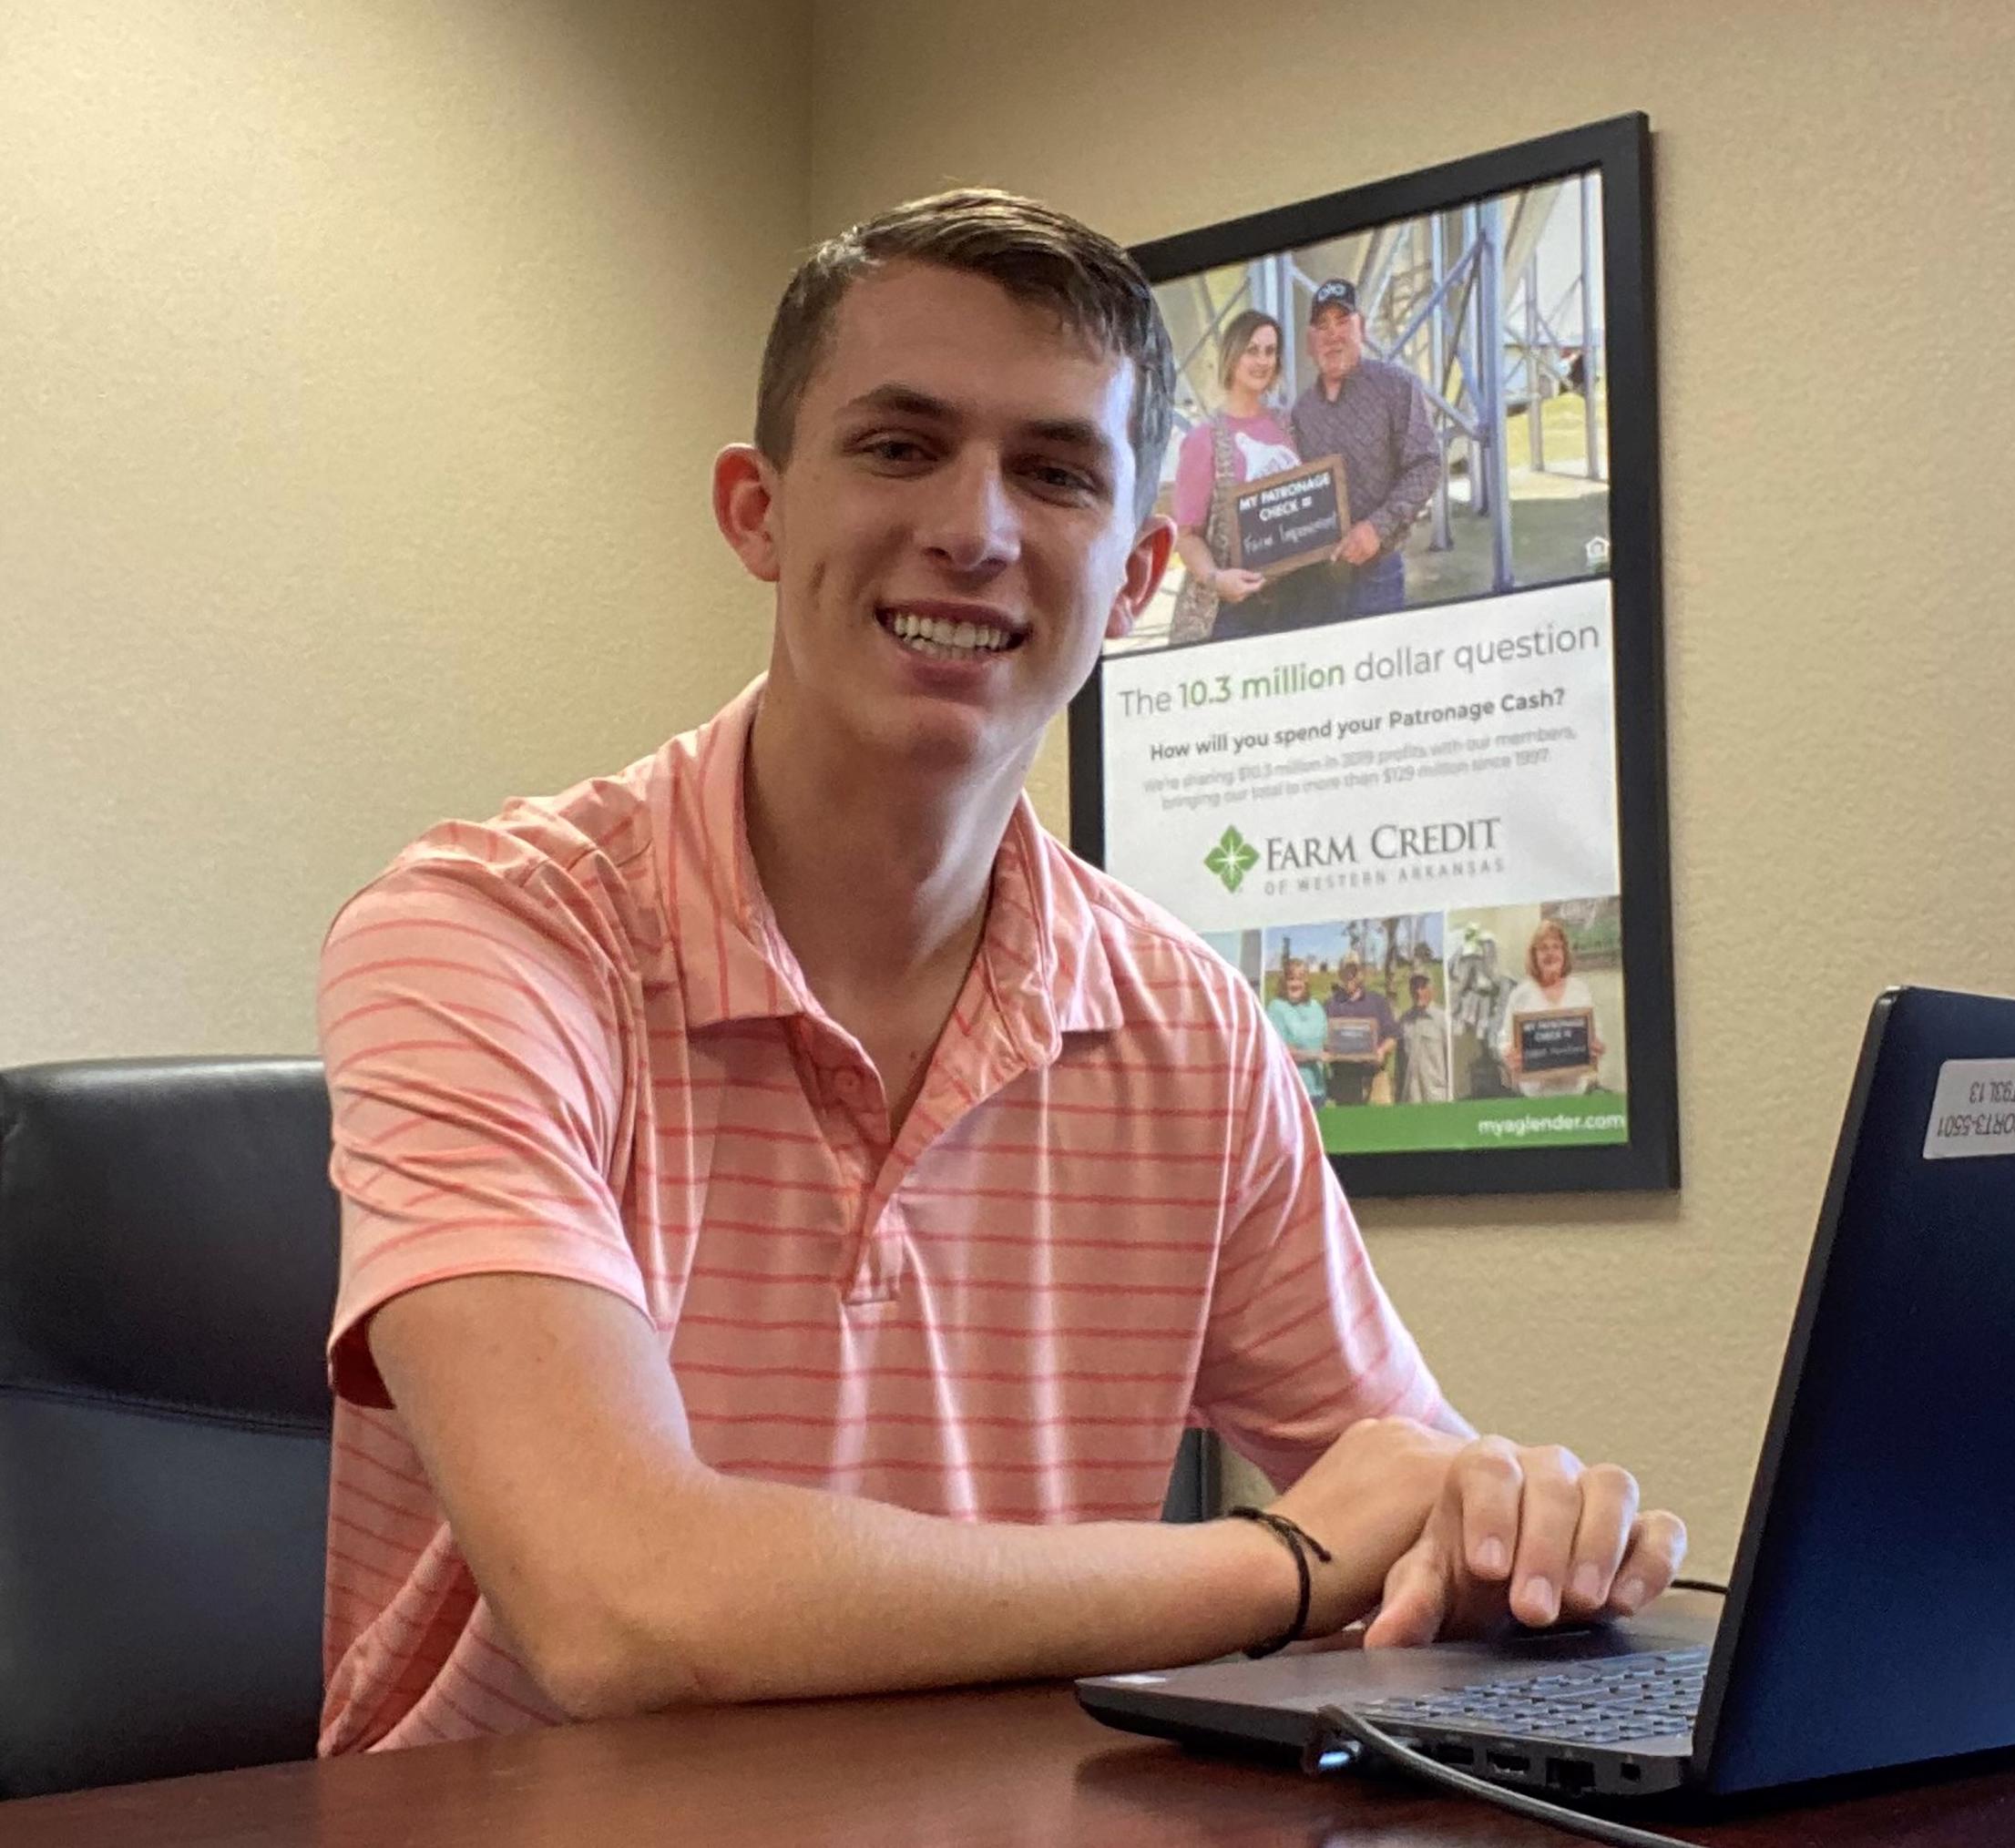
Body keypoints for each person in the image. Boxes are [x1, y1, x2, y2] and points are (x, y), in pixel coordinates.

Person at [313, 189, 1684, 1754]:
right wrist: (1278, 1562)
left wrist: (1518, 1531)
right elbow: (624, 1599)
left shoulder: (1189, 1027)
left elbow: (1404, 1498)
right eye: (899, 446)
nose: (974, 528)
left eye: (1053, 471)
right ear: (757, 512)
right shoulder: (488, 937)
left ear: (1136, 570)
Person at [1289, 278, 1443, 621]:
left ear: (1362, 328)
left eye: (1343, 321)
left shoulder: (1397, 387)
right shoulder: (1301, 412)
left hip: (1379, 574)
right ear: (1310, 342)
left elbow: (1427, 465)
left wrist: (1377, 528)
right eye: (1322, 325)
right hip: (1317, 580)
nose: (1333, 335)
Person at [1166, 309, 1302, 644]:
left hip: (1294, 602)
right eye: (1252, 350)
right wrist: (1216, 578)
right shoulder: (1204, 440)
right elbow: (1187, 535)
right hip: (1231, 613)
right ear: (1232, 355)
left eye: (1270, 351)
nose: (1262, 361)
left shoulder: (1289, 425)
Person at [1496, 916, 1607, 1098]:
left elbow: (1597, 1035)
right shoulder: (1521, 994)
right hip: (1536, 1096)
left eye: (1556, 947)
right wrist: (1509, 1054)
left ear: (1564, 953)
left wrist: (1598, 1047)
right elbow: (1504, 1040)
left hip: (1576, 1092)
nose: (1550, 953)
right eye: (1543, 948)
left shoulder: (1580, 990)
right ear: (1534, 955)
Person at [1322, 955, 1399, 1108]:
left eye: (1354, 971)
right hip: (1344, 1079)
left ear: (1362, 973)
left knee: (1380, 1125)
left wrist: (1382, 1050)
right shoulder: (1330, 1005)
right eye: (1346, 971)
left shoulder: (1378, 1001)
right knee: (1350, 1126)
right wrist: (1326, 1051)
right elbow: (1321, 1038)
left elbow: (1392, 1035)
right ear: (1340, 974)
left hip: (1376, 1077)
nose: (1350, 975)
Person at [1262, 956, 1328, 1108]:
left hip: (1317, 1090)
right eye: (1291, 978)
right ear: (1284, 982)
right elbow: (1280, 1051)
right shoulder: (1276, 1008)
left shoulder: (1316, 1006)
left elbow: (1325, 1041)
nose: (1295, 983)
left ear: (1306, 982)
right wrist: (1315, 1055)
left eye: (1300, 978)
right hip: (1289, 1091)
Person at [1395, 971, 1452, 1104]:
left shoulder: (1443, 1020)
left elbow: (1452, 1063)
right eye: (1415, 987)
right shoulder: (1404, 1021)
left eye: (1423, 987)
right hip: (1411, 1098)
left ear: (1432, 989)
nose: (1418, 992)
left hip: (1437, 1098)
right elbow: (1399, 1065)